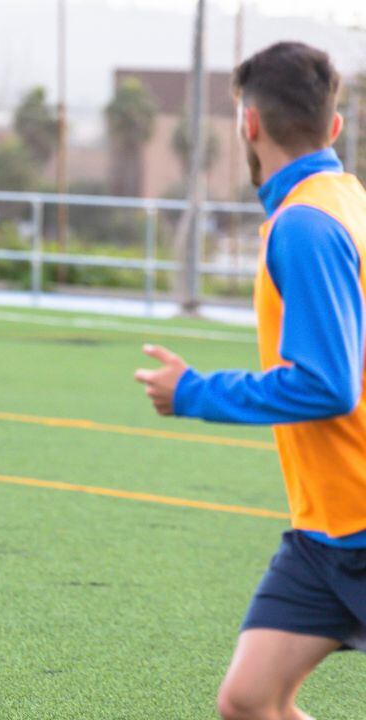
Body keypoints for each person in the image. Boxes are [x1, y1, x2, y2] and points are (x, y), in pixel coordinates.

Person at [135, 42, 365, 720]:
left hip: (360, 520)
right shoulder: (344, 198)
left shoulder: (305, 223)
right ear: (334, 127)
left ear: (248, 124)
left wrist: (194, 393)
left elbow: (329, 386)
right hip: (325, 530)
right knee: (249, 700)